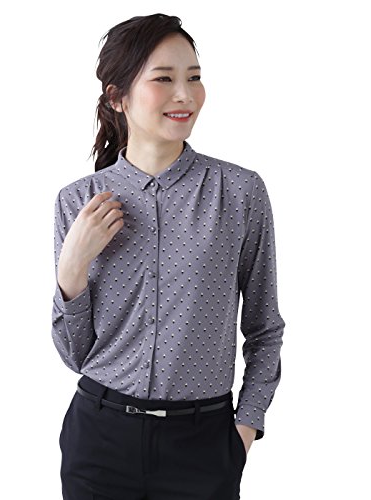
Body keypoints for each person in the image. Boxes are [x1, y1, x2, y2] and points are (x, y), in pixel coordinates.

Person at [51, 13, 286, 500]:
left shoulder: (239, 193)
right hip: (99, 442)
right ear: (117, 97)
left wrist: (244, 430)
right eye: (164, 79)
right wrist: (71, 271)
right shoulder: (78, 202)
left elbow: (265, 327)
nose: (186, 94)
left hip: (204, 446)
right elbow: (76, 357)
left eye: (194, 78)